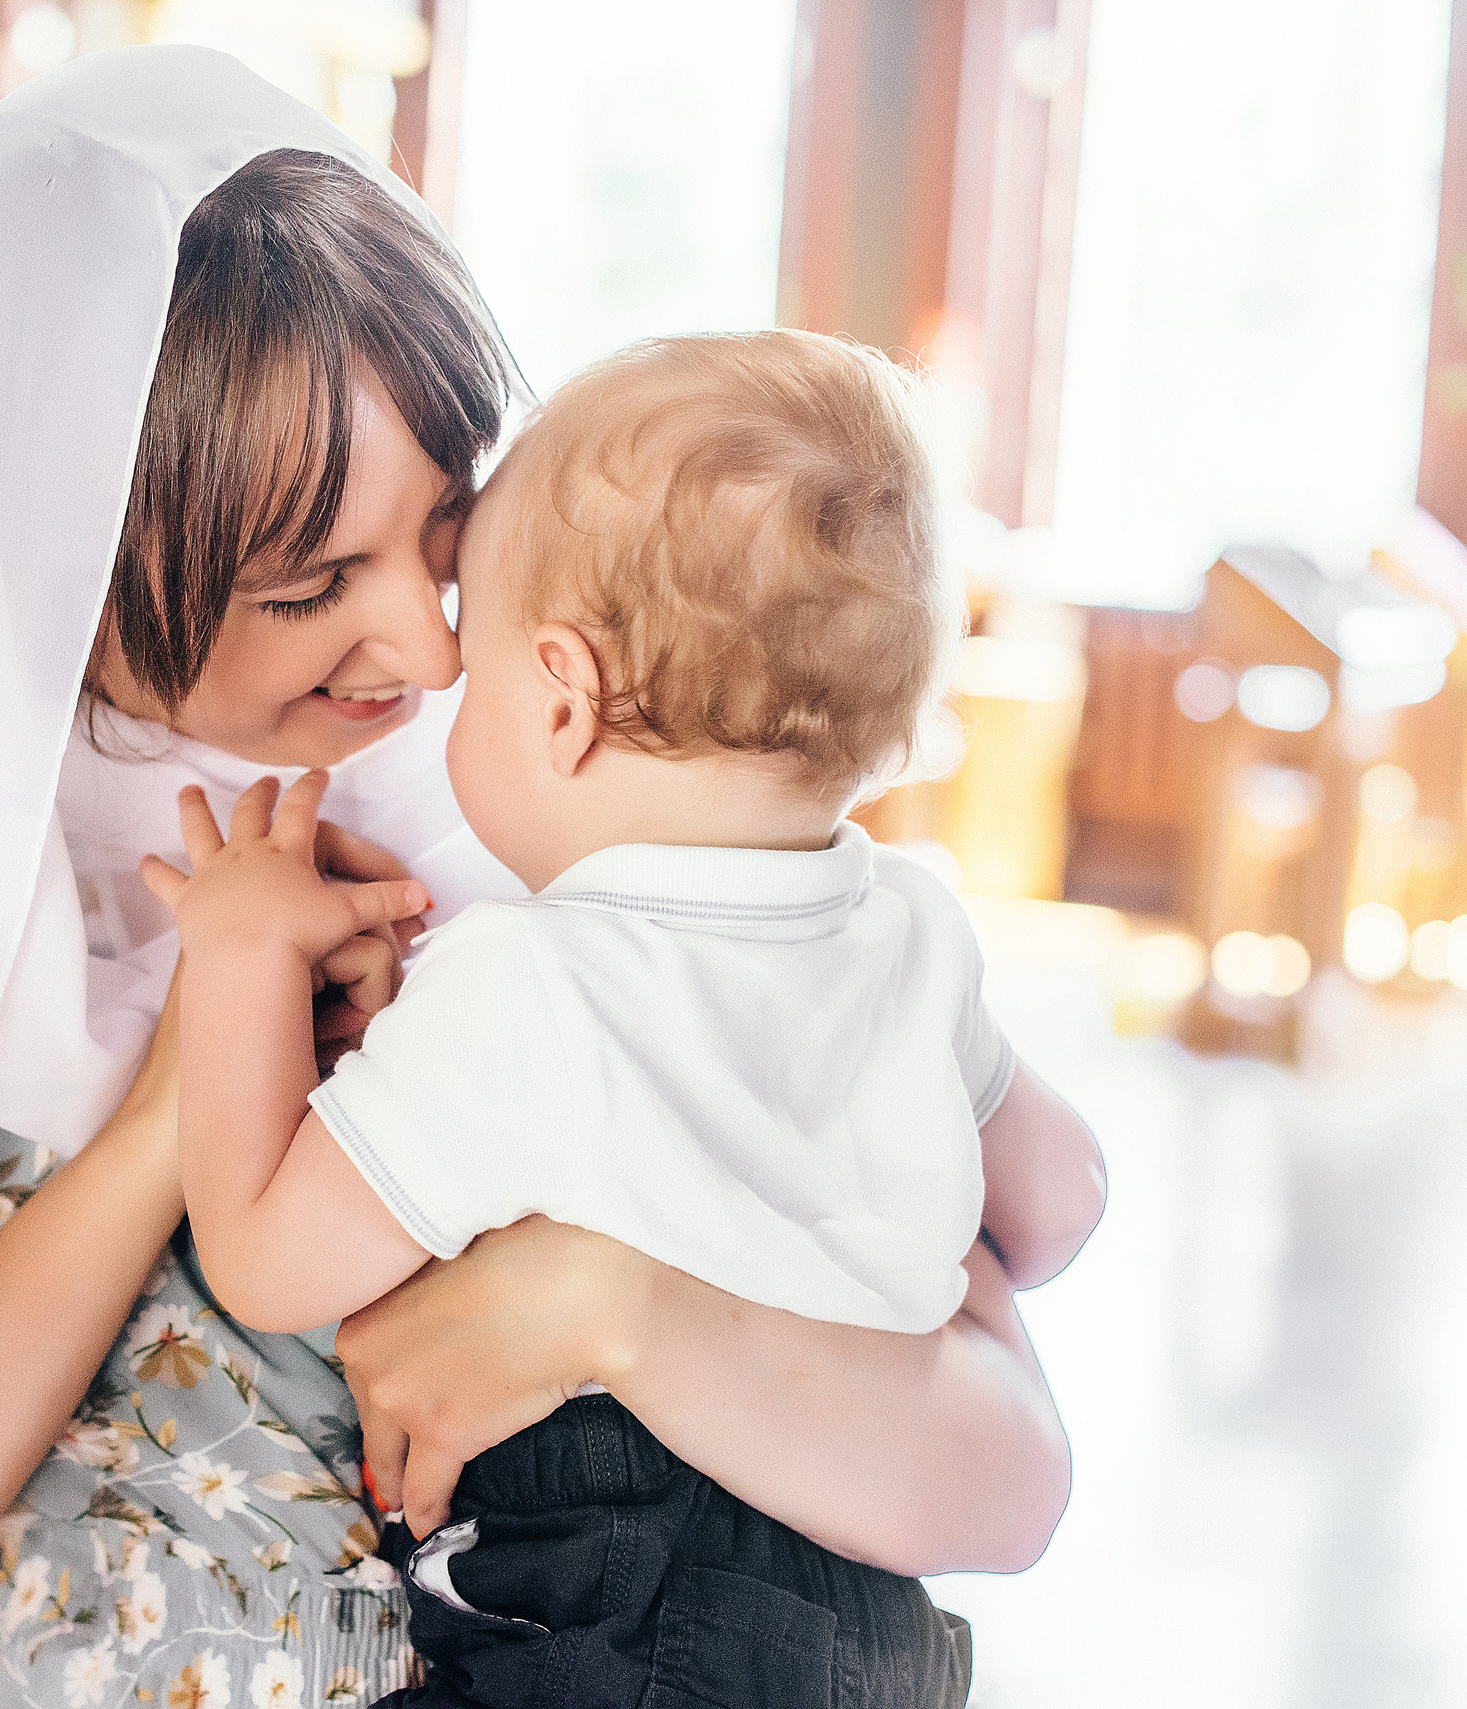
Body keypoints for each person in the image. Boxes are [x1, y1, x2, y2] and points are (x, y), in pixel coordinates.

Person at [0, 48, 1074, 1709]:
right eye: (312, 584)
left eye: (448, 535)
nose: (430, 649)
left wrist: (622, 1311)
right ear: (63, 543)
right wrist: (174, 1113)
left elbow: (1014, 1471)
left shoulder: (587, 798)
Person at [145, 332, 1109, 1708]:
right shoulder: (911, 926)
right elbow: (1060, 1203)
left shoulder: (525, 979)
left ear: (564, 700)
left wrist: (242, 952)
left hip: (620, 1603)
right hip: (875, 1625)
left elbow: (261, 1261)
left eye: (477, 665)